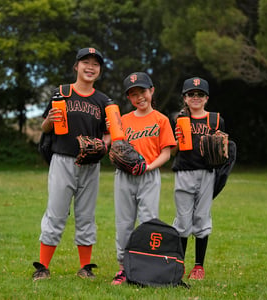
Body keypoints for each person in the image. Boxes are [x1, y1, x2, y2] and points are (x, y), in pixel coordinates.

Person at [32, 47, 111, 281]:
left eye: (95, 64)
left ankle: (85, 267)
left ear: (99, 70)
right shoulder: (62, 93)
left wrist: (103, 145)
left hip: (90, 164)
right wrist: (49, 121)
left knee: (86, 215)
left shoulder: (103, 101)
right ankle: (42, 267)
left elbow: (108, 133)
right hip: (63, 160)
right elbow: (45, 128)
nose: (90, 67)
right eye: (85, 62)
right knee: (56, 213)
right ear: (76, 66)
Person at [111, 72, 177, 285]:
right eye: (133, 94)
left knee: (149, 223)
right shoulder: (123, 120)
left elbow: (166, 153)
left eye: (142, 92)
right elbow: (116, 148)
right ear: (129, 98)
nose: (139, 98)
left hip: (149, 176)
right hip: (124, 177)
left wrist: (148, 166)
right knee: (124, 223)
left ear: (152, 91)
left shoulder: (161, 120)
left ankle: (146, 268)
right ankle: (123, 268)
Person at [171, 77, 225, 280]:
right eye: (191, 94)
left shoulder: (215, 120)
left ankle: (199, 266)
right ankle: (179, 264)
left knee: (202, 218)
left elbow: (224, 151)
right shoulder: (179, 119)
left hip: (207, 173)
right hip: (184, 172)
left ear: (206, 98)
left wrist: (219, 147)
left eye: (200, 94)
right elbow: (173, 151)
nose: (196, 98)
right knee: (183, 220)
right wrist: (177, 139)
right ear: (185, 98)